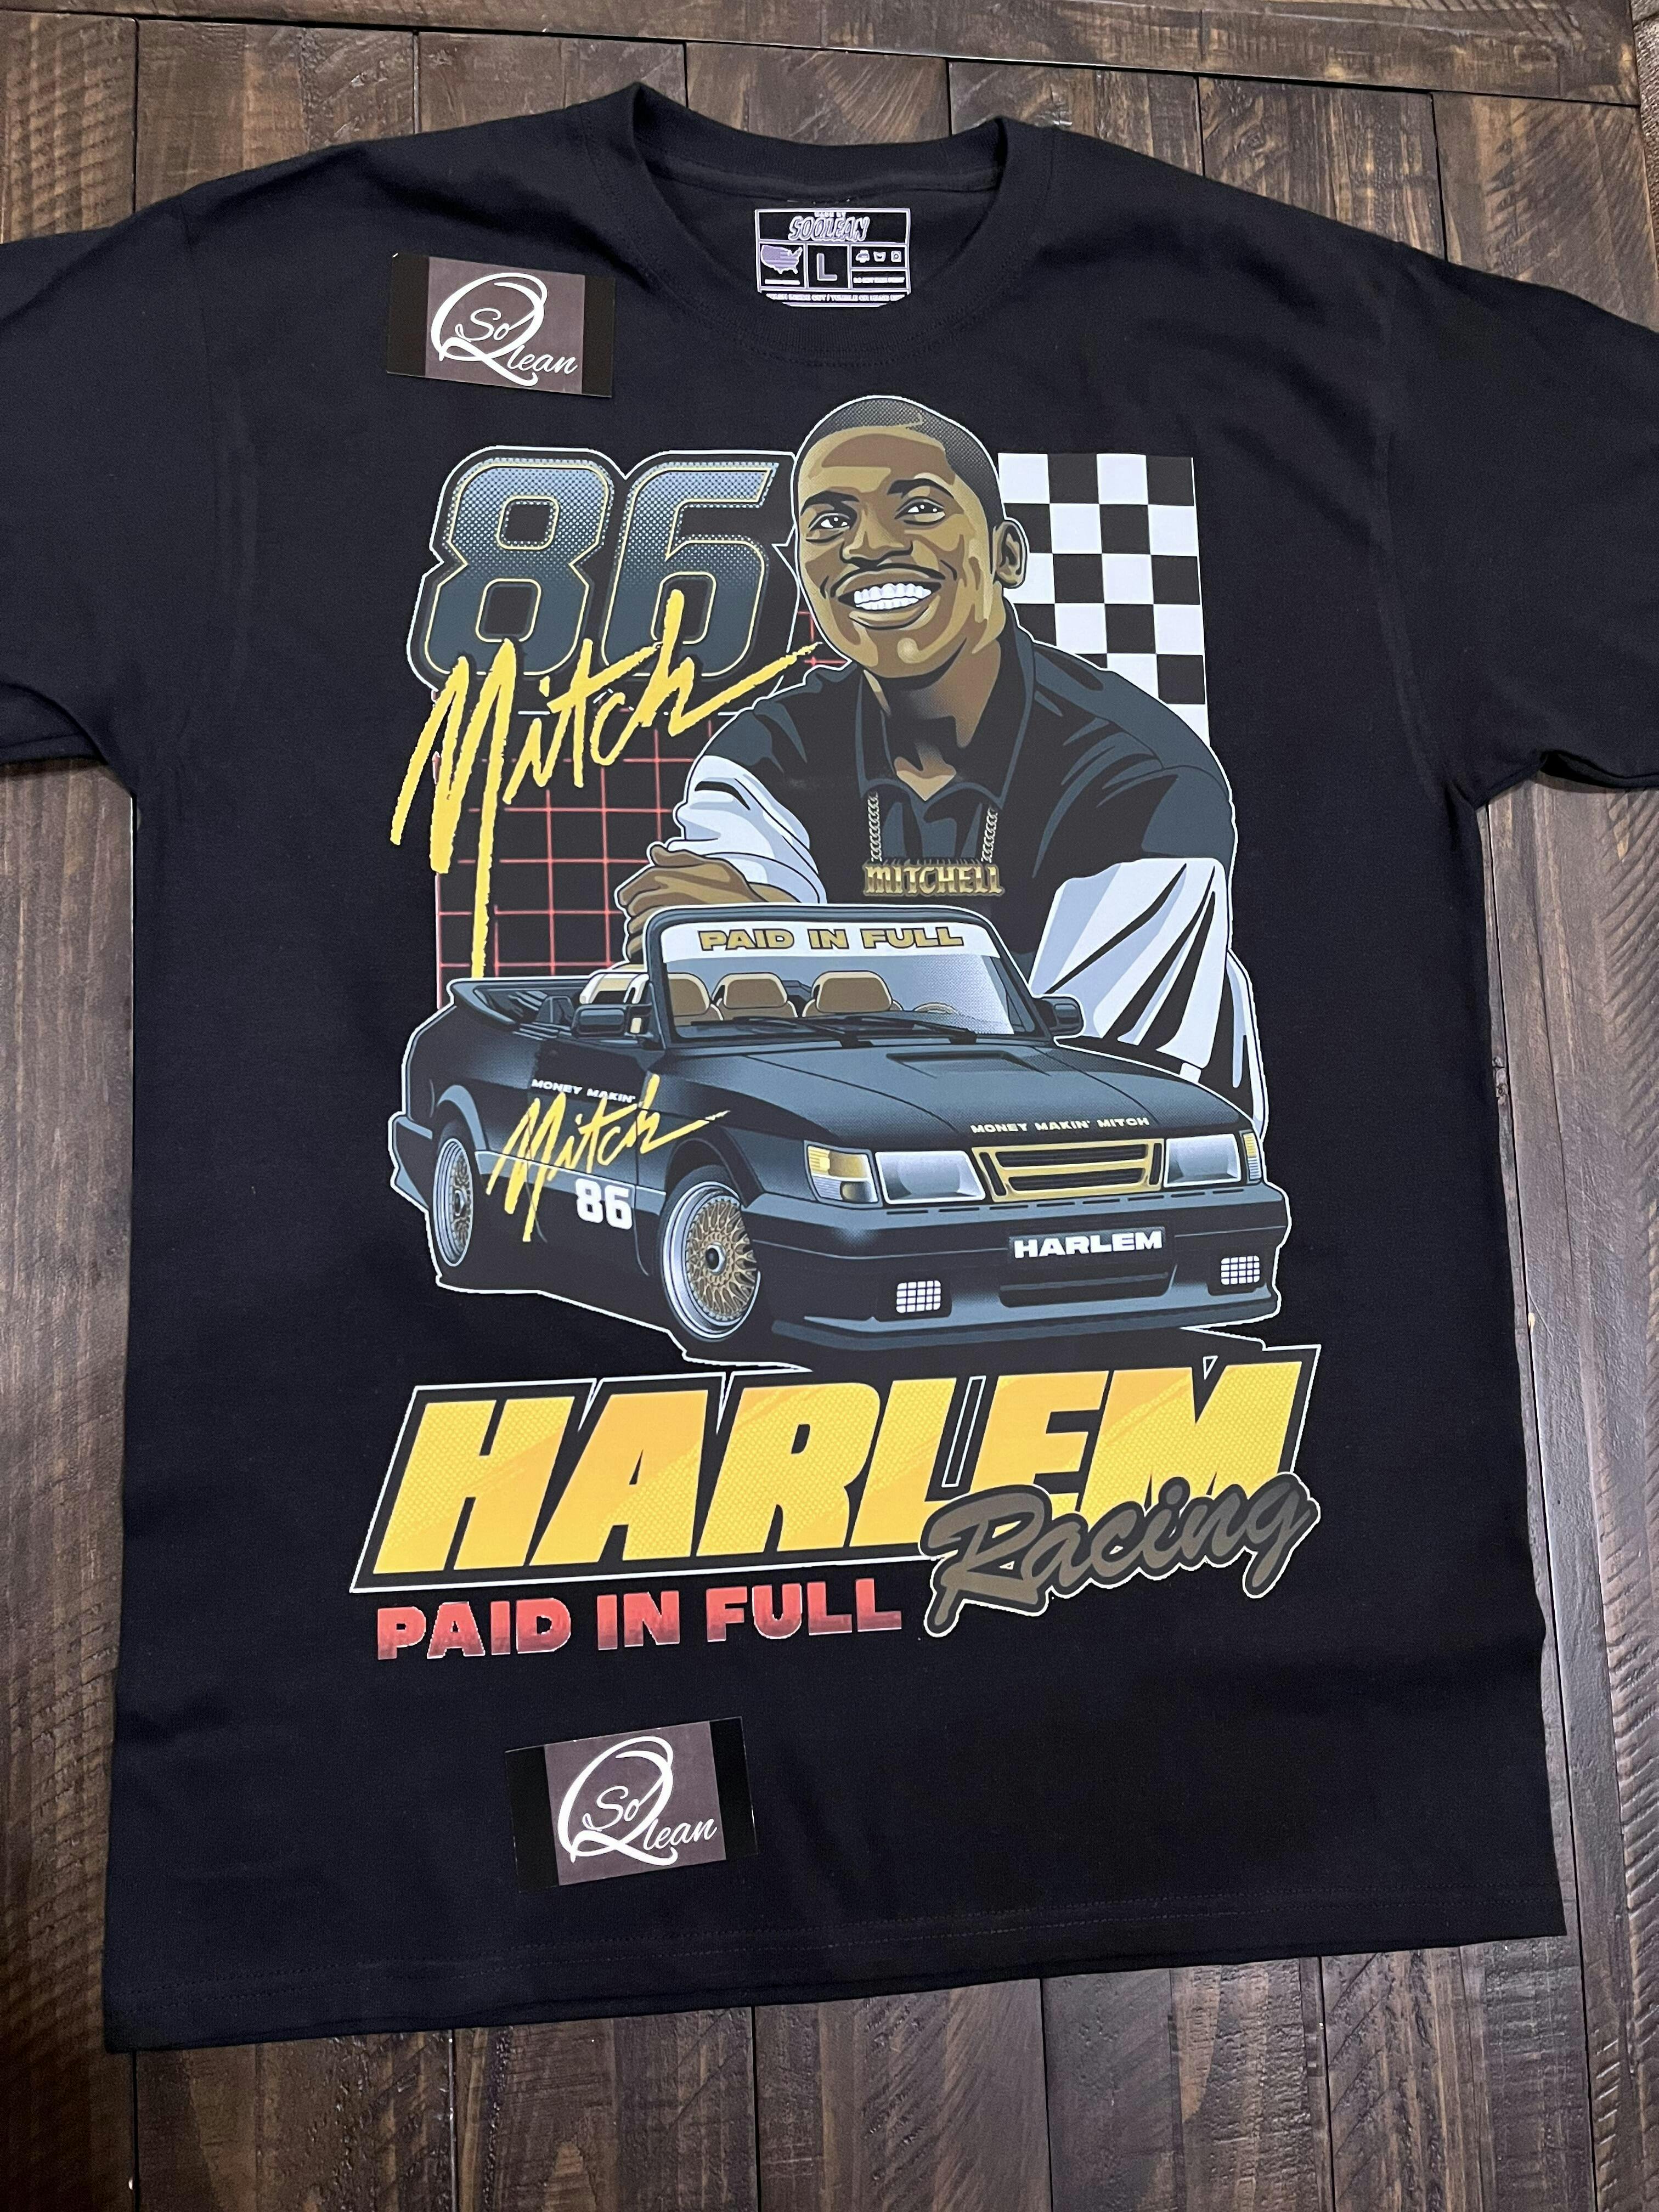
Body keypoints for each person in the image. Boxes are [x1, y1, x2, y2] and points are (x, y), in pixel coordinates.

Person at [618, 394, 1266, 1127]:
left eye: (920, 508)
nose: (868, 547)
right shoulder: (761, 753)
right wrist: (745, 952)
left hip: (1110, 1164)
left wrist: (789, 955)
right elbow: (725, 997)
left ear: (1007, 554)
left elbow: (1086, 1076)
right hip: (853, 1146)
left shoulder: (1144, 773)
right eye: (830, 522)